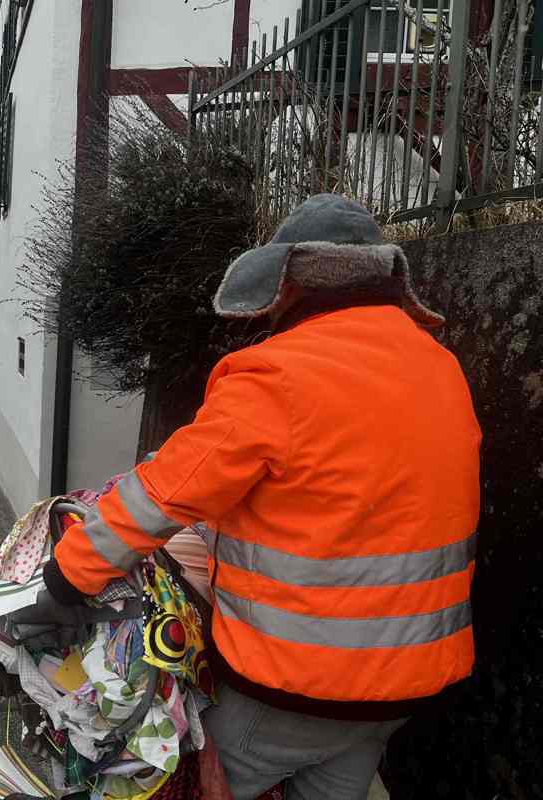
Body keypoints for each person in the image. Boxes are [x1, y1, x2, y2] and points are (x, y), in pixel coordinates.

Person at [39, 194, 481, 799]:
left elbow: (163, 494)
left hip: (296, 687)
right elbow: (340, 501)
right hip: (408, 685)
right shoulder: (442, 370)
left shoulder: (278, 375)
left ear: (290, 286)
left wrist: (68, 573)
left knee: (181, 780)